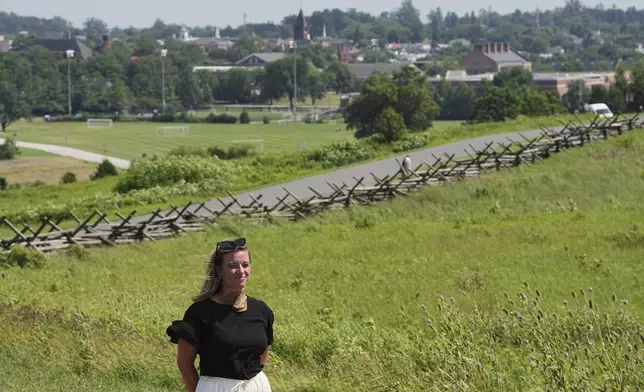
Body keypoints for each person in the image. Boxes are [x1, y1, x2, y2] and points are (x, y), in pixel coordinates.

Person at [166, 237, 274, 392]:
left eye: (245, 265)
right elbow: (184, 363)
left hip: (257, 386)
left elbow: (262, 356)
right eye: (232, 266)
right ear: (218, 270)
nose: (241, 271)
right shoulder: (198, 314)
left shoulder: (261, 310)